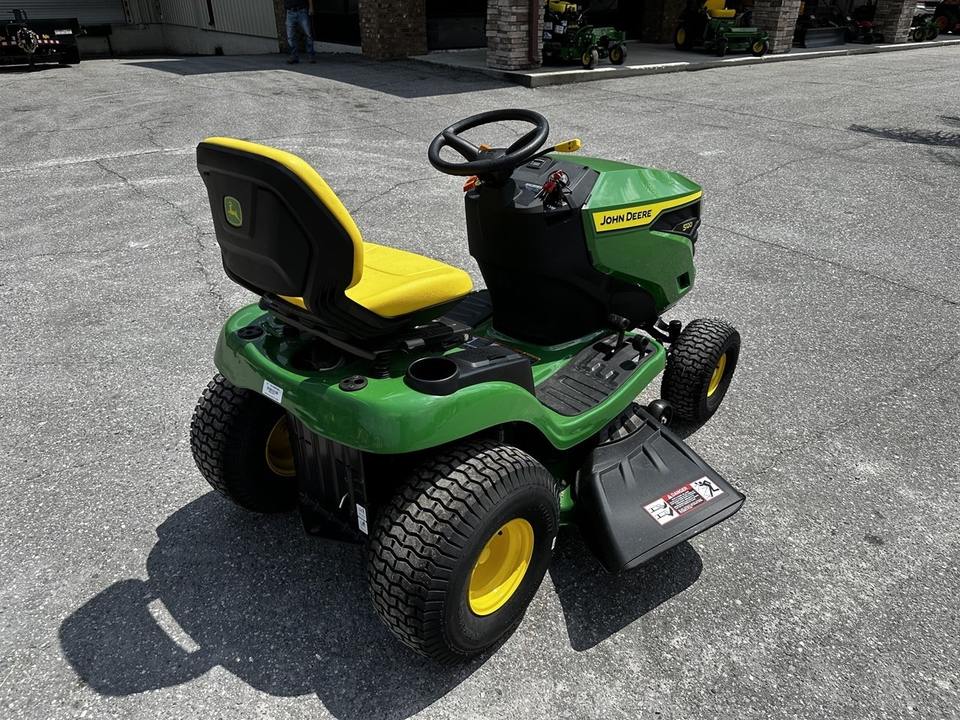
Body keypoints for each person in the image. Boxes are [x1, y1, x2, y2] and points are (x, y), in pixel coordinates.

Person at [285, 0, 315, 64]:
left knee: (308, 34)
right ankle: (294, 56)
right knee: (290, 36)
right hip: (290, 12)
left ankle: (311, 55)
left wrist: (311, 7)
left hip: (302, 11)